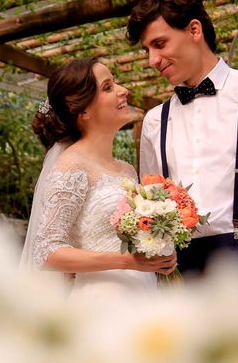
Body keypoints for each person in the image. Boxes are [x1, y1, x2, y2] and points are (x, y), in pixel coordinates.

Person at [20, 58, 176, 303]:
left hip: (143, 295)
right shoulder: (71, 166)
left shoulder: (126, 170)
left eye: (115, 83)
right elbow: (46, 251)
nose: (123, 90)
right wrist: (126, 261)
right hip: (101, 300)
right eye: (108, 87)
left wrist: (159, 253)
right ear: (83, 110)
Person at [127, 0, 238, 278]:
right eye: (146, 50)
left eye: (160, 44)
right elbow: (150, 202)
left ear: (194, 30)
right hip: (182, 271)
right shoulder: (154, 121)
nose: (152, 60)